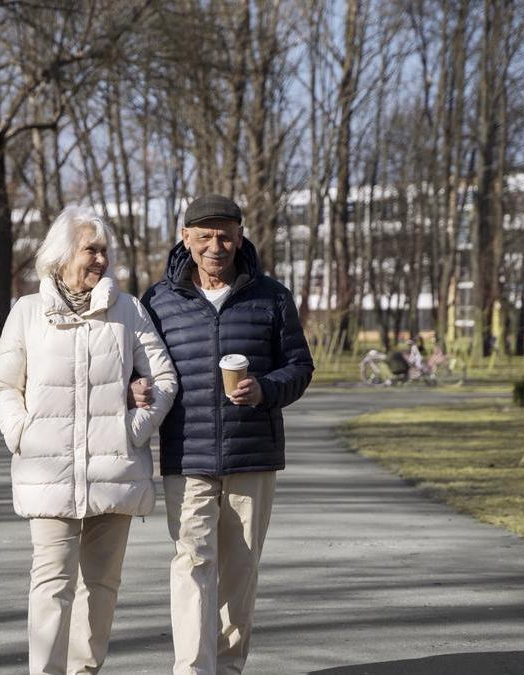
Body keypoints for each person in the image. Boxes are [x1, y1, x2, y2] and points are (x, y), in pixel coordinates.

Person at [0, 205, 178, 675]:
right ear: (61, 254)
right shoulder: (28, 312)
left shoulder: (128, 311)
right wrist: (22, 433)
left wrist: (132, 428)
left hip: (114, 471)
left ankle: (84, 671)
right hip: (47, 472)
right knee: (51, 582)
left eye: (104, 252)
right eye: (90, 249)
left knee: (102, 585)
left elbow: (164, 380)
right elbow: (2, 385)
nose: (99, 260)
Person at [139, 194, 314, 675]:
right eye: (205, 236)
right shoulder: (158, 300)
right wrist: (137, 386)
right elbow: (140, 370)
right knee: (192, 565)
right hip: (186, 456)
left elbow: (300, 366)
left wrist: (265, 390)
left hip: (252, 457)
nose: (216, 246)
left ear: (240, 237)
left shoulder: (272, 295)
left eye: (226, 235)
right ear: (185, 238)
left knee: (238, 572)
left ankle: (229, 668)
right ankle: (193, 670)